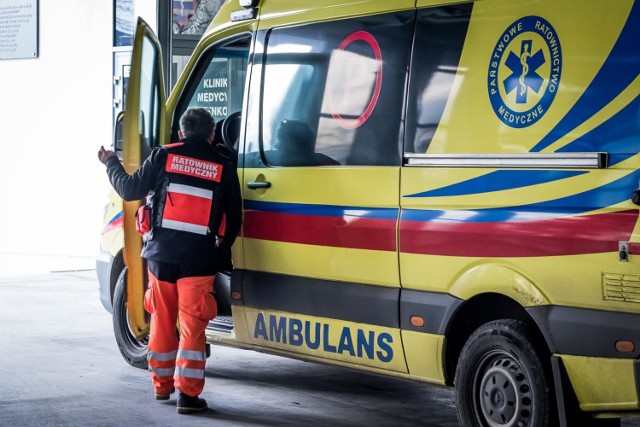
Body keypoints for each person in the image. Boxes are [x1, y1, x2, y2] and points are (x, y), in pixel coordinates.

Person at [98, 107, 242, 414]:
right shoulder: (223, 165)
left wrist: (111, 161)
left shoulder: (163, 155)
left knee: (162, 320)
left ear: (181, 133)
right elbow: (234, 219)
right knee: (192, 326)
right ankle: (188, 396)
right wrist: (220, 254)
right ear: (212, 134)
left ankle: (161, 388)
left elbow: (128, 188)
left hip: (161, 258)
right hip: (198, 260)